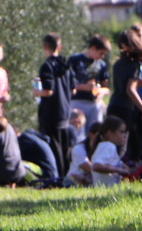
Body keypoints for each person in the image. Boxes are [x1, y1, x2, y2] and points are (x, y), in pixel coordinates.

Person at [107, 30, 142, 164]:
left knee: (117, 143)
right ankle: (119, 171)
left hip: (113, 105)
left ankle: (116, 168)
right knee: (130, 145)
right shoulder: (133, 65)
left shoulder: (118, 63)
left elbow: (130, 84)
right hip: (124, 109)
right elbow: (130, 89)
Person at [36, 33, 74, 175]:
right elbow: (73, 88)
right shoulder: (66, 64)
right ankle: (65, 174)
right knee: (64, 147)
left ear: (45, 47)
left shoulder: (47, 66)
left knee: (52, 147)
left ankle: (54, 176)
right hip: (65, 110)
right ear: (59, 47)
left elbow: (48, 91)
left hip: (51, 112)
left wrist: (36, 92)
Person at [69, 36, 110, 126]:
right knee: (77, 131)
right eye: (101, 53)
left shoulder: (102, 65)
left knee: (95, 132)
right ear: (93, 48)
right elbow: (68, 83)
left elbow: (106, 88)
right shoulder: (75, 60)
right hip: (78, 102)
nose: (102, 56)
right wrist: (85, 87)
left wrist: (101, 91)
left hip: (95, 104)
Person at [89, 115, 132, 187]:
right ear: (110, 133)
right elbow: (96, 166)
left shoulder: (103, 146)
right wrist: (118, 170)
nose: (125, 135)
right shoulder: (109, 146)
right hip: (105, 190)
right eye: (121, 132)